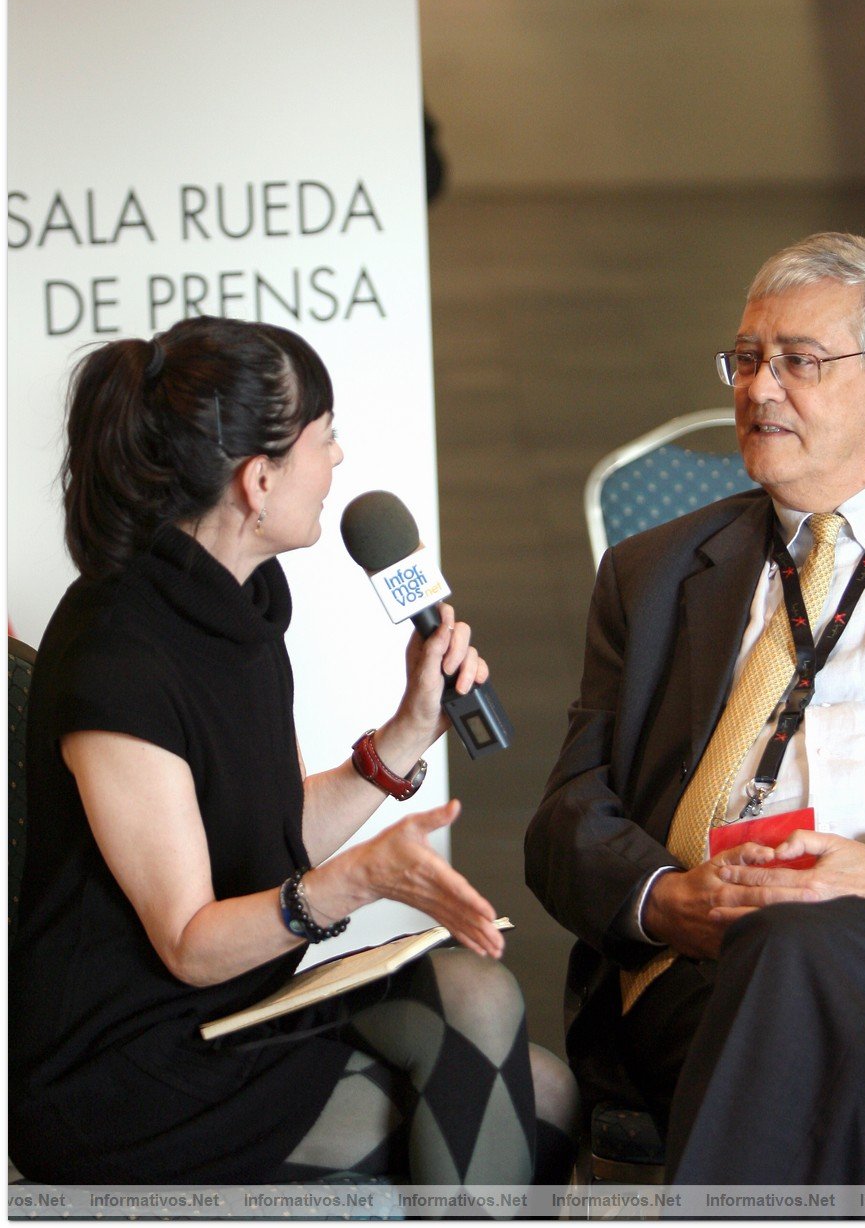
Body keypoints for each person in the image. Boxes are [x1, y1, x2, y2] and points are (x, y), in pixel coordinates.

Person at [10, 315, 578, 1186]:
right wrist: (357, 881)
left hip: (237, 1004)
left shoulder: (238, 604)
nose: (339, 459)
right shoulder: (117, 657)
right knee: (516, 1109)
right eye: (327, 435)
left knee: (498, 1018)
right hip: (131, 1069)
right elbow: (191, 942)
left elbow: (256, 843)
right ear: (260, 478)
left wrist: (405, 734)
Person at [525, 233, 865, 1185]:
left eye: (798, 362)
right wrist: (664, 900)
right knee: (806, 1029)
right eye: (745, 358)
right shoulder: (653, 574)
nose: (757, 389)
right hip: (699, 961)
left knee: (790, 963)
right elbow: (567, 815)